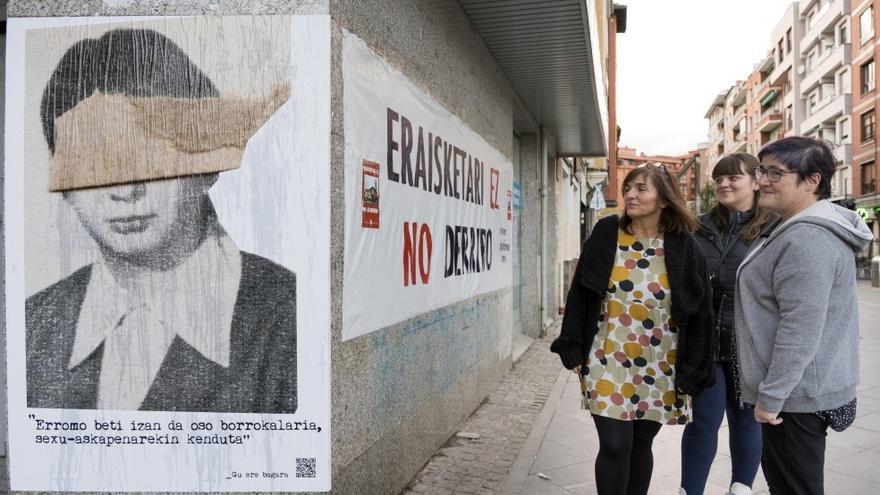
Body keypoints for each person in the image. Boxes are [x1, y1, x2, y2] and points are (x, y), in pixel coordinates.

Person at [26, 28, 298, 414]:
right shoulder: (32, 327)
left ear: (207, 165)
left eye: (151, 154)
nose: (125, 189)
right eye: (92, 162)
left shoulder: (290, 320)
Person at [551, 165, 715, 495]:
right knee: (614, 444)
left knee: (641, 443)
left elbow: (701, 312)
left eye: (641, 189)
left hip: (660, 359)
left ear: (664, 199)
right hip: (608, 354)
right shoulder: (606, 232)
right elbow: (581, 291)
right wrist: (571, 341)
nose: (630, 195)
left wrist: (696, 366)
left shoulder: (685, 246)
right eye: (628, 188)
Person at [735, 136, 873, 494]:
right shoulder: (793, 227)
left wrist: (771, 397)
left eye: (775, 173)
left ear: (812, 181)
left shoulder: (807, 238)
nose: (761, 180)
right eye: (761, 170)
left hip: (794, 399)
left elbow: (800, 327)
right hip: (797, 393)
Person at [679, 153, 775, 495]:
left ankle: (741, 489)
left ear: (755, 181)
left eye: (733, 177)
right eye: (719, 178)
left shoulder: (772, 228)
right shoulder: (698, 227)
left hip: (749, 347)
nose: (723, 184)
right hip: (706, 344)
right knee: (703, 422)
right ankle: (689, 491)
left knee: (746, 422)